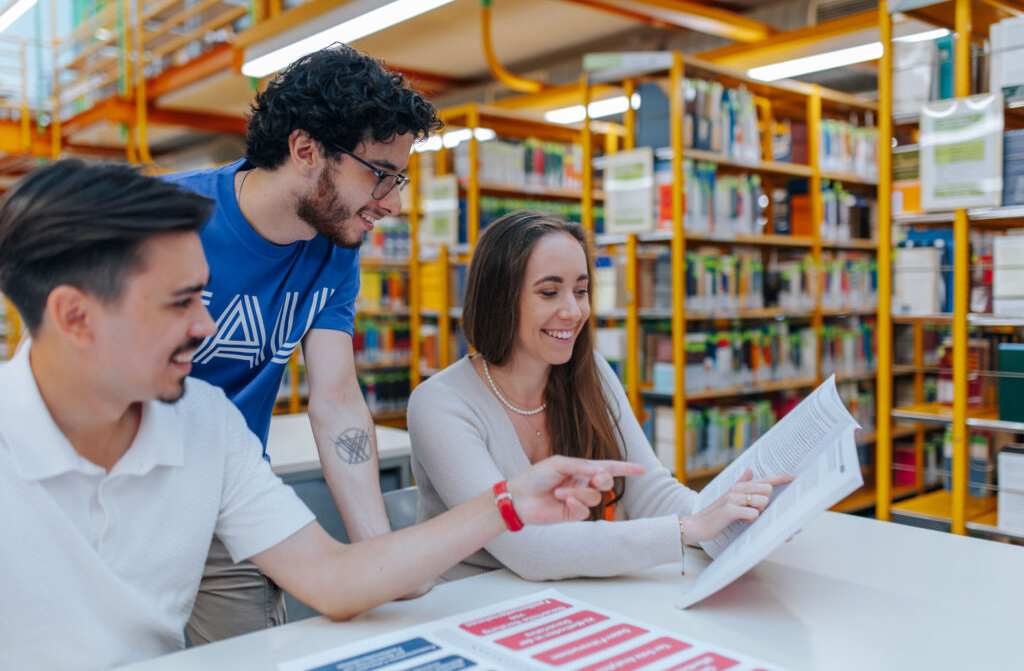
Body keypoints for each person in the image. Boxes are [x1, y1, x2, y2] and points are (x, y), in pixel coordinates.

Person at [0, 160, 642, 670]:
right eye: (178, 303)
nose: (206, 326)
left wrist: (507, 502)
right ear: (74, 317)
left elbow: (333, 579)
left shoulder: (210, 426)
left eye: (204, 295)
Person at [162, 44, 444, 642]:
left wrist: (377, 553)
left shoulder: (335, 252)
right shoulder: (164, 216)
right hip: (124, 495)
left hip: (230, 498)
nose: (393, 203)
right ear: (305, 149)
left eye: (401, 179)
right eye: (380, 174)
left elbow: (337, 397)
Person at [407, 211, 791, 581]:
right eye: (549, 292)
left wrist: (733, 519)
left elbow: (653, 493)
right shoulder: (440, 404)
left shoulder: (592, 374)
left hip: (566, 600)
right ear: (499, 298)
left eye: (581, 290)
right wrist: (685, 530)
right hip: (464, 613)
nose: (573, 311)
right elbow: (527, 548)